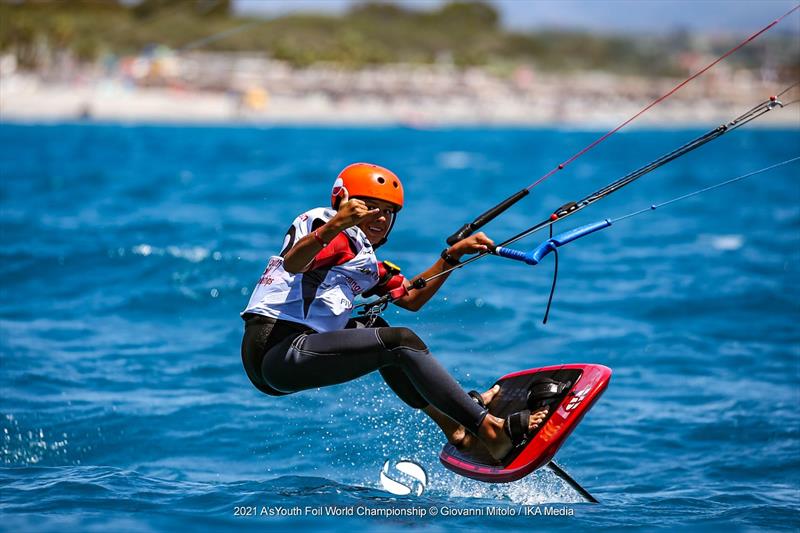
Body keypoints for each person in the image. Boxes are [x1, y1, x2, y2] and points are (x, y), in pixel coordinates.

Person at [240, 162, 548, 461]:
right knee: (400, 341)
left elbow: (412, 298)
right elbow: (294, 263)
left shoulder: (362, 259)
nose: (381, 218)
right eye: (371, 206)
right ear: (345, 203)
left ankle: (457, 429)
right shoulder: (329, 229)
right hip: (278, 350)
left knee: (380, 332)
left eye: (389, 212)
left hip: (283, 357)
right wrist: (338, 223)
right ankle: (490, 430)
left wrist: (451, 257)